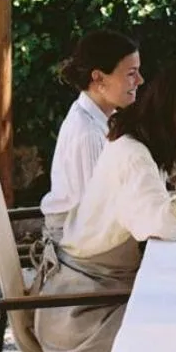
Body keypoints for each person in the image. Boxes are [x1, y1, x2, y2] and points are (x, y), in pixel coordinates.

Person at [33, 59, 176, 352]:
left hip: (98, 292)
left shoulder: (142, 140)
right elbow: (160, 221)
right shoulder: (132, 153)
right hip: (82, 313)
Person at [39, 30, 143, 238]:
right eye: (131, 73)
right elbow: (97, 216)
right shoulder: (88, 133)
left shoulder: (99, 116)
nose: (140, 80)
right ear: (98, 78)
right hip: (77, 247)